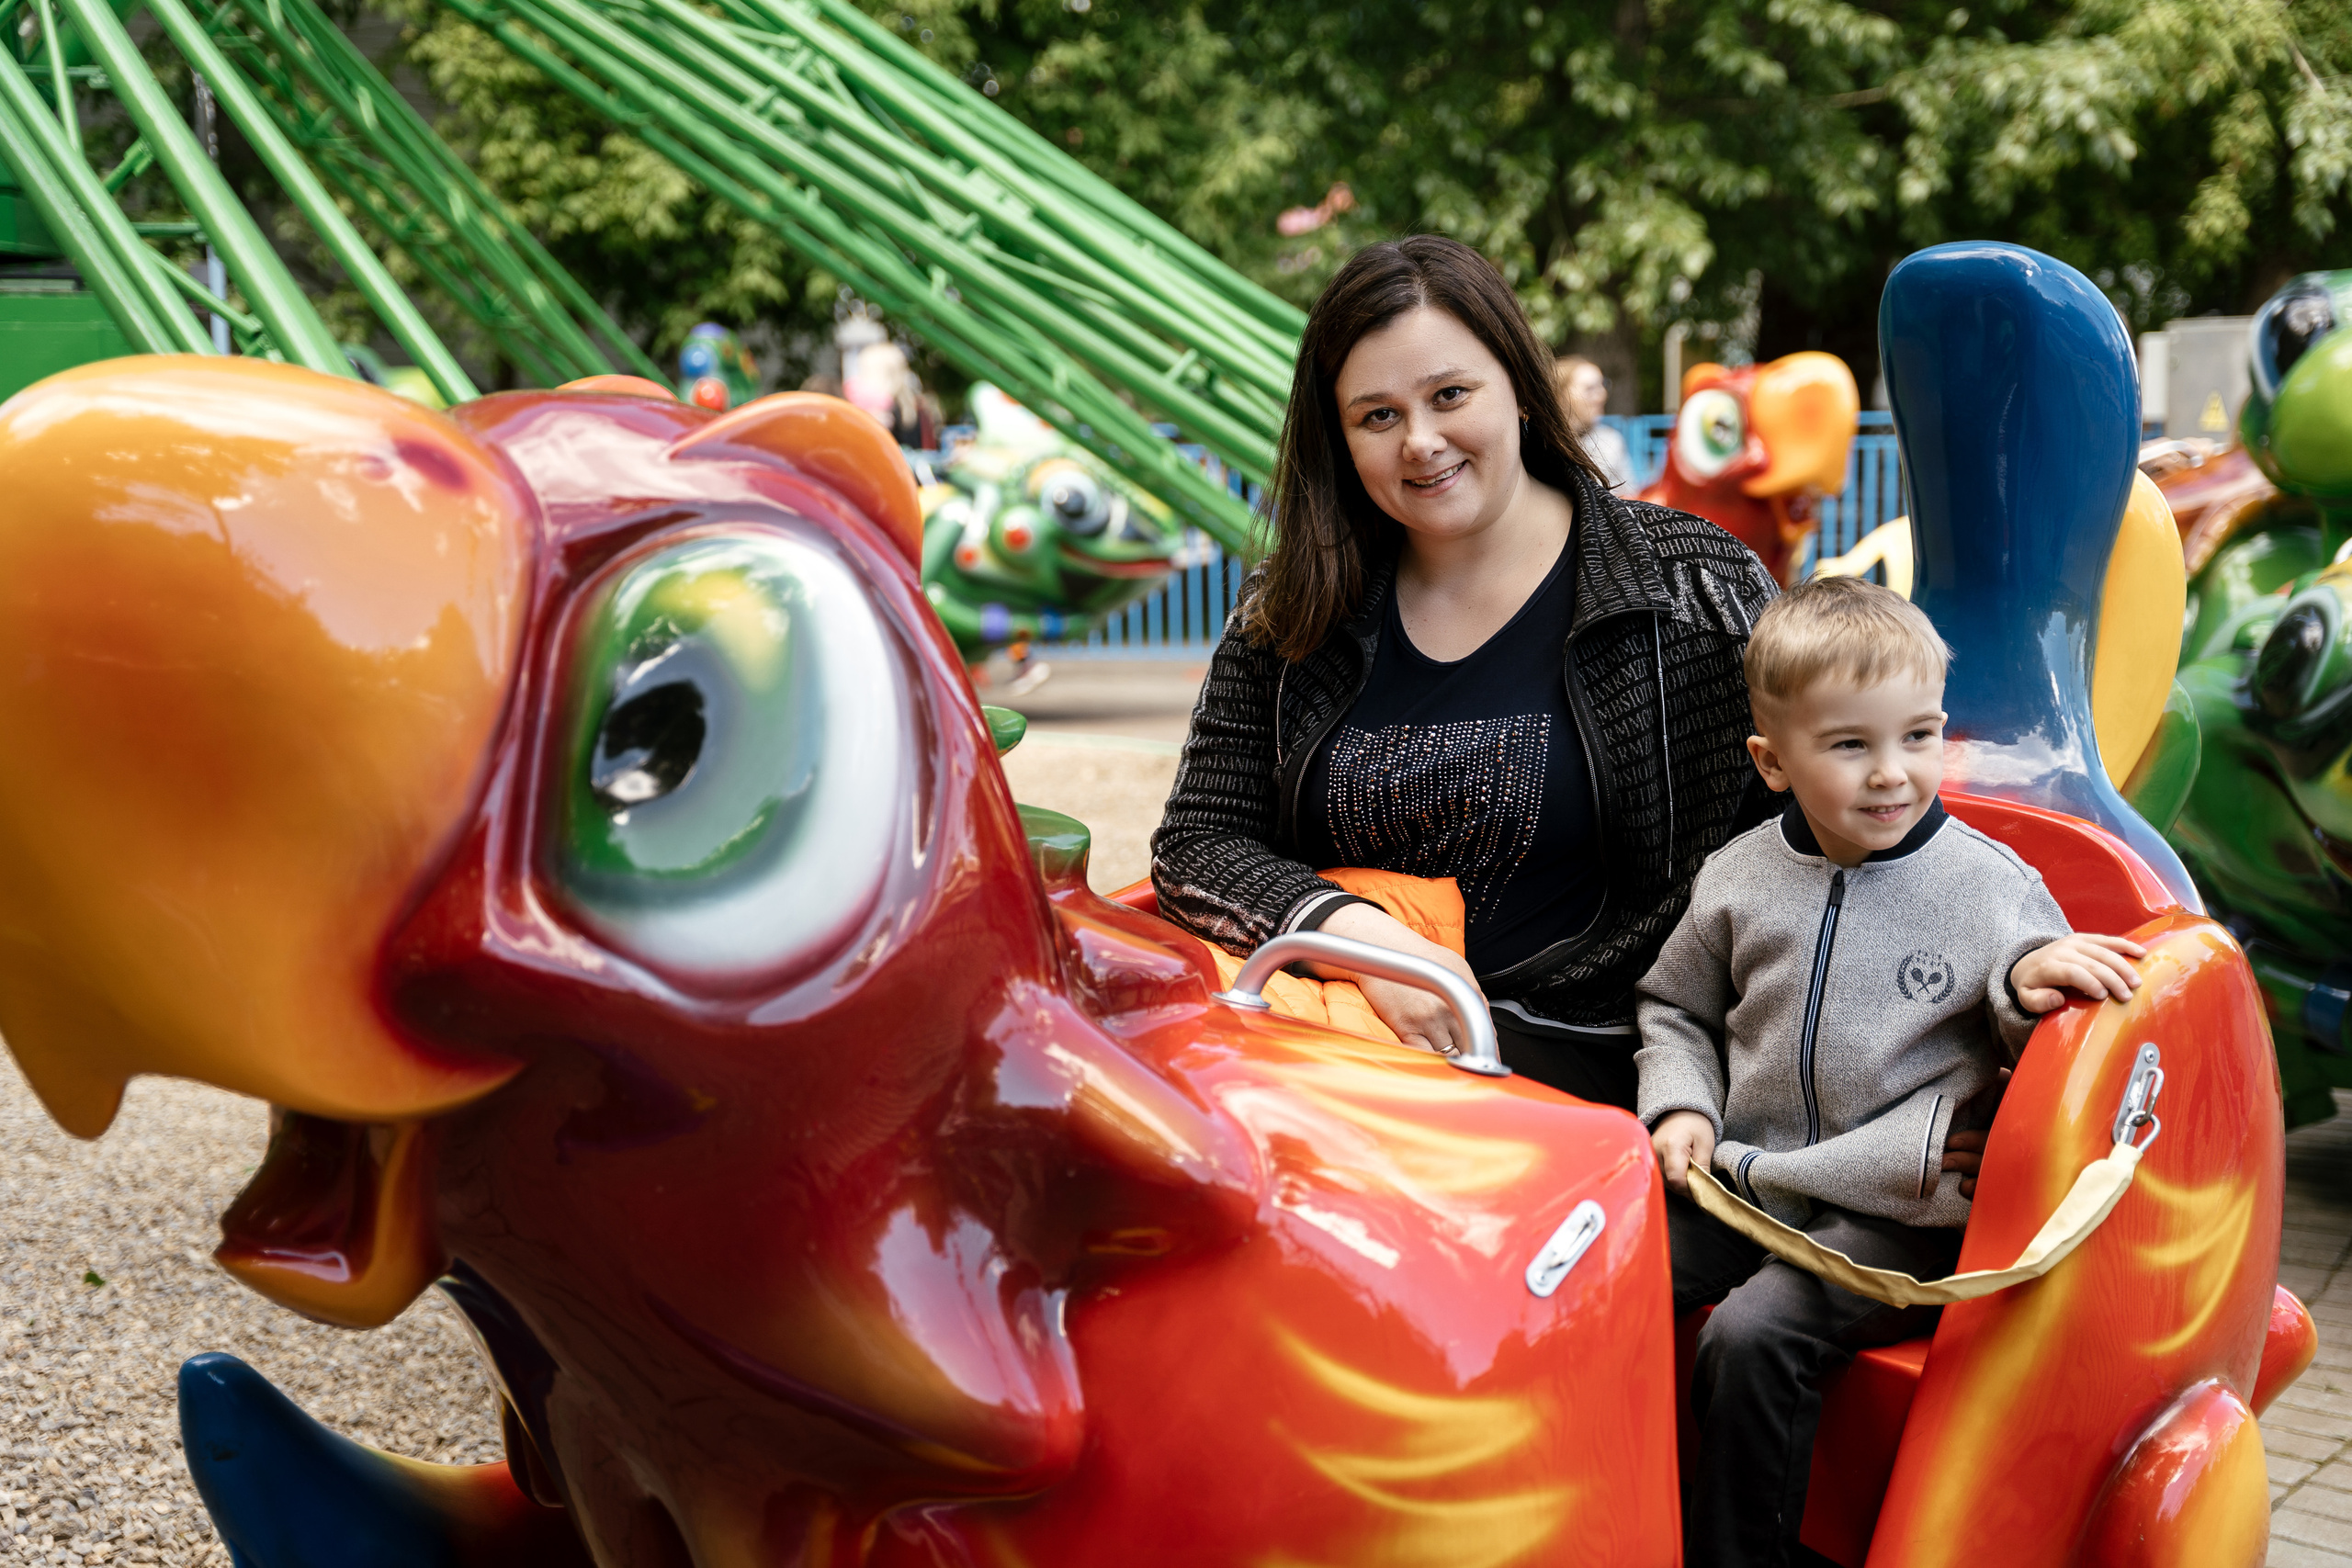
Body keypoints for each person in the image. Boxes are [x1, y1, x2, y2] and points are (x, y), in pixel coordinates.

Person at [1150, 235, 1781, 1108]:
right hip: (1332, 1059)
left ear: (1520, 387)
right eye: (1377, 416)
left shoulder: (1687, 584)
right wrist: (1367, 945)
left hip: (1603, 1082)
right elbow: (1195, 845)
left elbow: (1836, 809)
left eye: (1450, 396)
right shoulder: (1292, 608)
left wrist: (2001, 967)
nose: (1420, 442)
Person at [1634, 576, 2145, 1567]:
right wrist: (1681, 1105)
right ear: (1771, 764)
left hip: (1896, 1214)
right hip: (1745, 1184)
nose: (1891, 775)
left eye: (1917, 737)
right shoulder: (1737, 877)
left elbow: (2051, 1044)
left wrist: (2021, 981)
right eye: (1849, 745)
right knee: (1611, 1272)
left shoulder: (1988, 888)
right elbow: (1675, 1009)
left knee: (1752, 1338)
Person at [1555, 355, 1635, 491]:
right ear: (1561, 394)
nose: (1602, 395)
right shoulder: (1547, 442)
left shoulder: (1611, 440)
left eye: (1603, 385)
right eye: (1590, 389)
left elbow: (1630, 496)